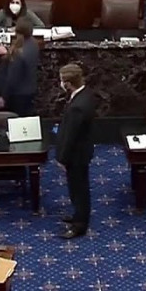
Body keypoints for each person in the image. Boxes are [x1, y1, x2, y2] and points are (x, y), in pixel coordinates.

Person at [55, 63, 96, 240]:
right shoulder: (86, 94)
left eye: (62, 81)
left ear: (69, 83)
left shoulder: (77, 106)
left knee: (78, 188)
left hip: (77, 154)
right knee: (77, 186)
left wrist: (62, 158)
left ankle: (80, 225)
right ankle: (78, 215)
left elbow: (71, 135)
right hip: (82, 150)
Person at [0, 17, 39, 115]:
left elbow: (12, 78)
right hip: (29, 91)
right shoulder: (34, 44)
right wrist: (9, 52)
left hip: (17, 96)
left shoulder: (18, 53)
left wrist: (3, 97)